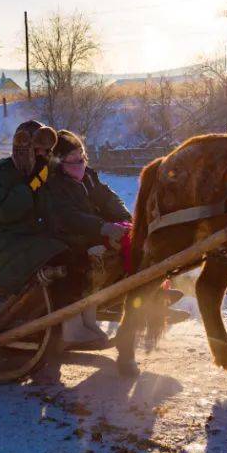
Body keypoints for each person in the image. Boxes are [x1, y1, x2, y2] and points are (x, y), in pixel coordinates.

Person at [38, 130, 132, 350]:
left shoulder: (88, 176)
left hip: (90, 234)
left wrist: (124, 219)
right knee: (79, 265)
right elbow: (67, 216)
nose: (79, 162)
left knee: (102, 266)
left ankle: (89, 322)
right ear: (60, 160)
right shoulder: (54, 184)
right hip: (64, 236)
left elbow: (108, 198)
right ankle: (72, 329)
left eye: (81, 156)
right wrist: (102, 227)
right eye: (73, 158)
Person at [0, 120, 68, 294]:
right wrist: (28, 188)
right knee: (56, 252)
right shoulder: (4, 170)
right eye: (37, 150)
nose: (42, 154)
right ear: (24, 149)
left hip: (21, 237)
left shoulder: (41, 172)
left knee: (66, 249)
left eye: (45, 150)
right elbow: (1, 211)